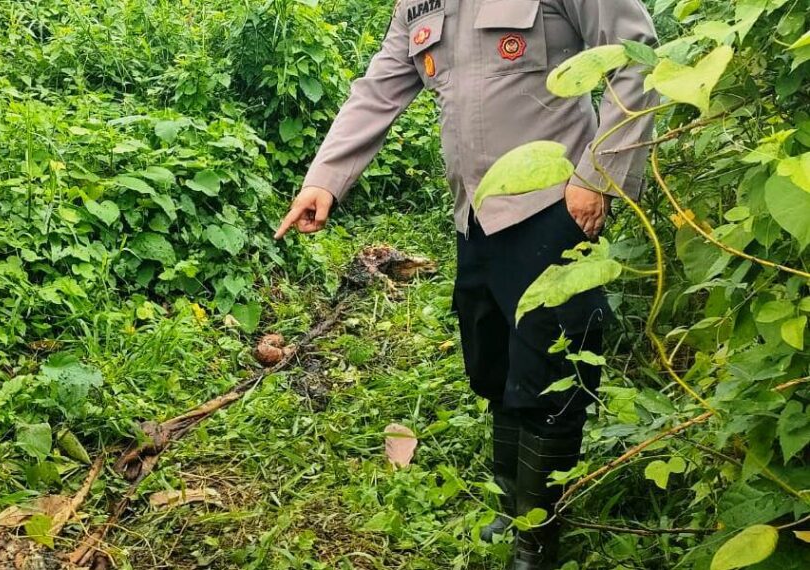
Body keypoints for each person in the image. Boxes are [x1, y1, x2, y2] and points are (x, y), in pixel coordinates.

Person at [273, 1, 658, 568]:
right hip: (474, 216)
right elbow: (379, 87)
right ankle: (512, 502)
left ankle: (538, 542)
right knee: (493, 363)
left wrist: (598, 174)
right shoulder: (419, 5)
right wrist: (325, 180)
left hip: (555, 207)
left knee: (552, 375)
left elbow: (637, 57)